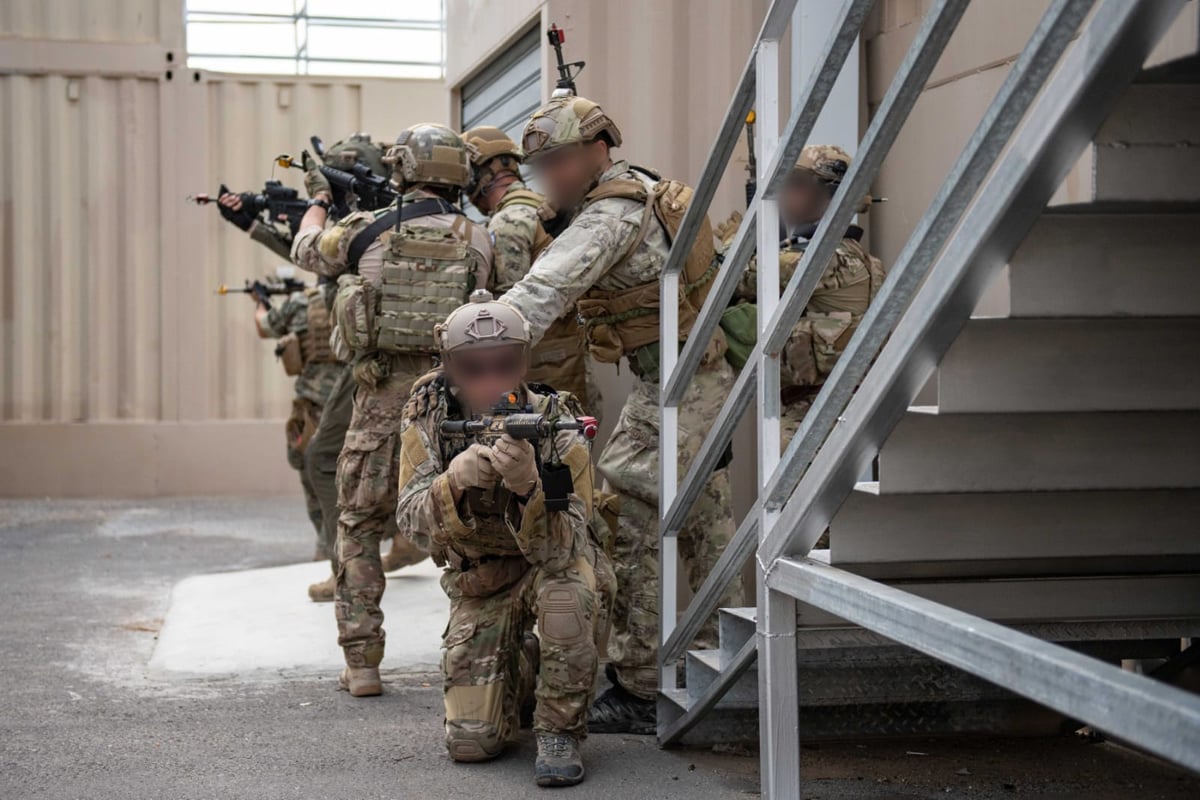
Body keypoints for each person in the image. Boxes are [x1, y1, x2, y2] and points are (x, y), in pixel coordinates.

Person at [497, 94, 742, 734]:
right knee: (706, 519)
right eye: (539, 167)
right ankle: (733, 655)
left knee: (629, 511)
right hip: (701, 371)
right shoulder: (646, 187)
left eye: (556, 161)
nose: (547, 176)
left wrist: (478, 337)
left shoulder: (608, 215)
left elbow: (541, 290)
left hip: (677, 381)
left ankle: (637, 686)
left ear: (596, 150)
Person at [292, 123, 492, 696]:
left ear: (401, 168)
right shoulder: (479, 239)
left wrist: (317, 202)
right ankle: (470, 662)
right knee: (463, 533)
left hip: (379, 407)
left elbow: (307, 249)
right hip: (448, 410)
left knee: (356, 527)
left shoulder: (365, 231)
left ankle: (362, 665)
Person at [395, 291, 614, 787]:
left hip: (550, 569)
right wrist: (455, 480)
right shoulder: (429, 419)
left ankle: (560, 730)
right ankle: (525, 665)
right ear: (450, 368)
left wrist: (527, 489)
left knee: (567, 591)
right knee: (474, 744)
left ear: (525, 361)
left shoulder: (558, 425)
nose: (492, 382)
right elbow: (409, 521)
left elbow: (565, 549)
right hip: (483, 582)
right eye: (473, 369)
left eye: (505, 365)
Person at [727, 144, 886, 444]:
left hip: (814, 412)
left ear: (827, 196)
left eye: (795, 185)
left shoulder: (819, 257)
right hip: (831, 404)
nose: (783, 194)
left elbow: (733, 281)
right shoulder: (848, 252)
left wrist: (743, 240)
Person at [462, 126, 597, 412]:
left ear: (481, 173)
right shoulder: (545, 208)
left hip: (542, 367)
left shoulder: (508, 221)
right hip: (571, 358)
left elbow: (508, 312)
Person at [248, 268, 342, 556]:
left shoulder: (301, 301)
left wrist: (261, 302)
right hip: (354, 403)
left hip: (313, 407)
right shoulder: (356, 299)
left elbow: (265, 326)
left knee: (313, 475)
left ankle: (327, 548)